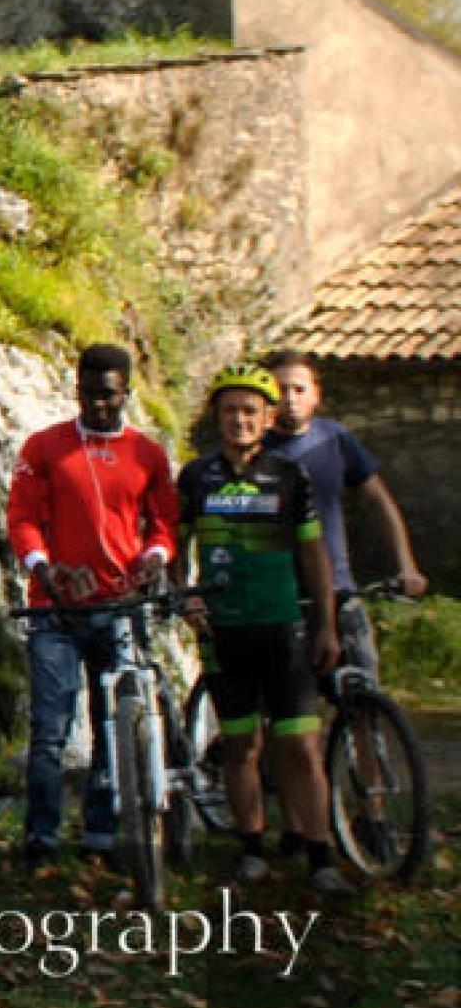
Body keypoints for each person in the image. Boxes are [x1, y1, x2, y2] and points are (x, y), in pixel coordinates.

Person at [174, 363, 354, 897]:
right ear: (217, 418)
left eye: (250, 411)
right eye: (230, 410)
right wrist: (188, 597)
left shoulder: (288, 477)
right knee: (240, 746)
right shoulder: (195, 478)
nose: (239, 420)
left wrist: (325, 625)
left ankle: (321, 857)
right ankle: (251, 849)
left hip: (281, 627)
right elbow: (177, 549)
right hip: (225, 631)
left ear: (268, 418)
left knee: (300, 745)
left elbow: (313, 552)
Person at [5, 343, 178, 866]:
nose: (99, 405)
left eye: (109, 395)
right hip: (54, 610)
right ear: (75, 388)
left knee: (113, 724)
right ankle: (41, 836)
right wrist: (42, 567)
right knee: (51, 730)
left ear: (125, 391)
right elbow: (22, 518)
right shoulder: (43, 448)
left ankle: (101, 832)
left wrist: (154, 558)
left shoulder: (147, 453)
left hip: (120, 607)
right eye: (89, 393)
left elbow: (165, 522)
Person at [263, 348, 429, 679]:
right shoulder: (255, 451)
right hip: (279, 596)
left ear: (316, 395)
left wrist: (406, 566)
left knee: (363, 693)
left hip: (339, 590)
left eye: (299, 389)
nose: (290, 399)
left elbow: (379, 503)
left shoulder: (335, 439)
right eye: (280, 390)